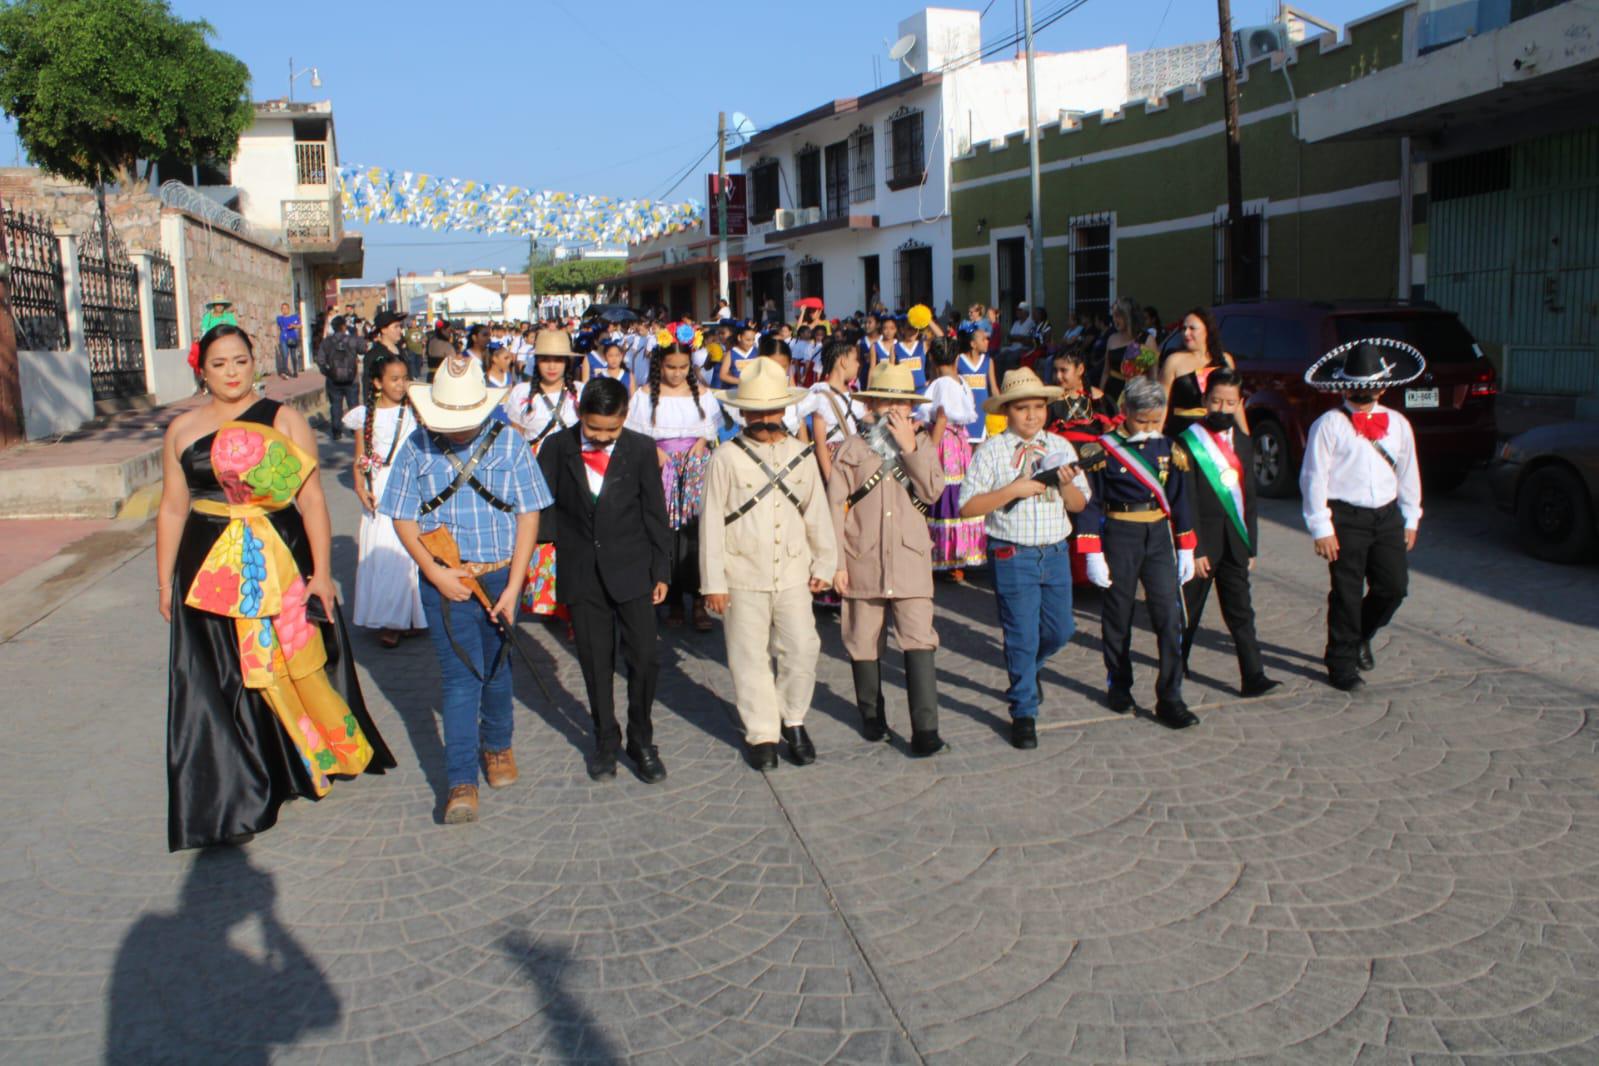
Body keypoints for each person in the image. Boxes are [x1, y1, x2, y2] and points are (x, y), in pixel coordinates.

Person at [156, 325, 395, 851]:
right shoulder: (181, 429)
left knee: (284, 663)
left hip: (277, 558)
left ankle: (298, 761)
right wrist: (163, 580)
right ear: (202, 371)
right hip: (207, 565)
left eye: (240, 360)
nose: (231, 372)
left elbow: (311, 501)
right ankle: (237, 785)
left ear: (254, 362)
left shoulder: (283, 419)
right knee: (220, 675)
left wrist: (322, 574)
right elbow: (173, 507)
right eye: (219, 364)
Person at [380, 354, 551, 824]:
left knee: (497, 667)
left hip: (500, 576)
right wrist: (434, 574)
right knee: (460, 680)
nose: (456, 430)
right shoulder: (416, 446)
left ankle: (497, 745)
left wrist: (515, 586)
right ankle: (460, 780)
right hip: (446, 580)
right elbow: (402, 517)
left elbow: (529, 514)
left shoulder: (511, 443)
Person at [701, 357, 837, 771]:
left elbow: (817, 512)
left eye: (771, 410)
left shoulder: (802, 454)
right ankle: (762, 732)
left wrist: (825, 564)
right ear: (742, 413)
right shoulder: (725, 457)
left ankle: (793, 719)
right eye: (755, 412)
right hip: (742, 572)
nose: (763, 419)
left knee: (803, 647)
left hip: (793, 571)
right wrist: (713, 582)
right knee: (748, 655)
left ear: (784, 409)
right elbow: (710, 521)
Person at [539, 376, 672, 783]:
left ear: (625, 417)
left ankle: (641, 738)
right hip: (581, 572)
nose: (600, 437)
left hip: (633, 568)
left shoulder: (640, 448)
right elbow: (544, 509)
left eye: (610, 429)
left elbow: (655, 512)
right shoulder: (557, 447)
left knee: (645, 658)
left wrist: (661, 569)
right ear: (580, 413)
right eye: (593, 428)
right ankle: (604, 739)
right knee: (596, 662)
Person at [958, 369, 1091, 749]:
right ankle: (1023, 711)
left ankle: (1029, 672)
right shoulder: (992, 450)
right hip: (1012, 553)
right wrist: (1011, 490)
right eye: (1022, 408)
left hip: (1055, 552)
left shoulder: (1061, 446)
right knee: (1021, 635)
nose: (1031, 415)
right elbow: (968, 506)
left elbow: (1079, 503)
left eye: (1038, 407)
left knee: (1061, 629)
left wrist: (1065, 483)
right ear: (1007, 411)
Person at [826, 363, 948, 755]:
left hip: (911, 557)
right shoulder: (852, 448)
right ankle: (871, 716)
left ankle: (926, 730)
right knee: (862, 639)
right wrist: (836, 563)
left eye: (902, 403)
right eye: (885, 402)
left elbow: (933, 491)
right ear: (871, 404)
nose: (894, 410)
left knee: (919, 639)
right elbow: (834, 507)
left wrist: (910, 448)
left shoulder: (922, 443)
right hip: (862, 557)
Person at [1299, 338, 1425, 692]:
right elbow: (1313, 477)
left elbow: (1409, 473)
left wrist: (1411, 517)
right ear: (1343, 387)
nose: (1362, 394)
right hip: (1346, 517)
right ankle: (1340, 662)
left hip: (1386, 516)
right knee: (1346, 592)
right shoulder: (1328, 424)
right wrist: (1321, 527)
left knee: (1393, 588)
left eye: (1369, 388)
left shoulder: (1398, 424)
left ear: (1382, 389)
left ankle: (1360, 635)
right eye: (1356, 388)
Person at [1076, 377, 1200, 729]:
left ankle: (1171, 697)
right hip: (1121, 533)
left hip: (1158, 534)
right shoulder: (1101, 451)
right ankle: (1119, 685)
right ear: (1125, 411)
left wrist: (1187, 547)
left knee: (1169, 616)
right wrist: (1092, 551)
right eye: (1141, 420)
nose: (1148, 428)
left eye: (1155, 421)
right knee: (1118, 614)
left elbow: (1180, 499)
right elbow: (1090, 502)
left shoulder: (1170, 448)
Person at [1174, 369, 1279, 697]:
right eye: (1216, 401)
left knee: (1241, 611)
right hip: (1202, 543)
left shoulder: (1244, 442)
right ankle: (1176, 663)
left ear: (1239, 403)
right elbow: (1186, 499)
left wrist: (1251, 547)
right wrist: (1194, 548)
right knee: (1189, 610)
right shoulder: (1188, 441)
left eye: (1230, 403)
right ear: (1205, 400)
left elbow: (1250, 499)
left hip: (1235, 542)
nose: (1222, 408)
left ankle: (1253, 676)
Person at [628, 341, 723, 630]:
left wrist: (701, 442)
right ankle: (673, 598)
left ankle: (698, 600)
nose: (677, 373)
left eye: (683, 367)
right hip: (660, 466)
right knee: (666, 530)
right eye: (671, 367)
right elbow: (635, 434)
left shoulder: (702, 393)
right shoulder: (645, 395)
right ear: (660, 364)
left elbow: (711, 428)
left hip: (695, 466)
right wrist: (654, 451)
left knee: (695, 531)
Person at [345, 351, 426, 648]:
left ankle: (412, 614)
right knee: (385, 550)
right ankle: (390, 619)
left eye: (405, 379)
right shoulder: (365, 415)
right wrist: (359, 486)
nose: (401, 385)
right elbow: (359, 457)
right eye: (394, 379)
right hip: (380, 487)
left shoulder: (416, 411)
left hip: (412, 485)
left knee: (412, 550)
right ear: (378, 383)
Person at [506, 330, 583, 622]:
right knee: (540, 533)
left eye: (558, 360)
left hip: (573, 469)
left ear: (567, 363)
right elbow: (515, 438)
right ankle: (547, 599)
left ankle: (576, 603)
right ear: (536, 362)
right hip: (535, 469)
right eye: (545, 359)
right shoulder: (521, 393)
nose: (552, 366)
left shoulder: (581, 391)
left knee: (575, 533)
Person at [918, 341, 986, 578]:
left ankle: (948, 556)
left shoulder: (942, 384)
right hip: (960, 444)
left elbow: (941, 418)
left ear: (932, 361)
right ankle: (960, 552)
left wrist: (929, 450)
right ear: (956, 359)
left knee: (943, 494)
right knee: (957, 494)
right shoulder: (962, 382)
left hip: (944, 443)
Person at [1161, 307, 1245, 437]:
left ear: (1207, 330)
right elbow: (1161, 402)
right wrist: (1156, 433)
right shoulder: (1173, 361)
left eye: (1192, 328)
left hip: (1217, 432)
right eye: (1184, 329)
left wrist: (1245, 434)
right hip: (1182, 432)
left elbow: (1236, 403)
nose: (1186, 333)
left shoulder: (1225, 360)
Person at [315, 315, 362, 442]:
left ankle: (336, 432)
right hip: (351, 379)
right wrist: (358, 335)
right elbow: (363, 349)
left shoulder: (327, 342)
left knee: (335, 405)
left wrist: (328, 372)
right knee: (353, 404)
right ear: (343, 326)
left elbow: (320, 360)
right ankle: (355, 430)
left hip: (333, 380)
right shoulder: (351, 340)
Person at [1097, 297, 1144, 406]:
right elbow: (1106, 371)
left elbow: (1153, 375)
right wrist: (1100, 395)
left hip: (1135, 395)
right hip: (1111, 394)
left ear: (1128, 316)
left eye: (1117, 316)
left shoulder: (1145, 340)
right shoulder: (1112, 338)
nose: (1114, 320)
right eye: (1113, 316)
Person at [362, 310, 410, 391]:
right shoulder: (373, 355)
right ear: (384, 330)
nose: (400, 330)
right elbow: (368, 386)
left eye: (400, 326)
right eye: (396, 327)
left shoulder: (401, 350)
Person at [715, 321, 760, 387]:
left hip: (752, 389)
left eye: (753, 340)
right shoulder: (731, 353)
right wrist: (741, 381)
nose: (751, 343)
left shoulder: (756, 352)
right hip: (735, 390)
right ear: (739, 338)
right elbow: (723, 375)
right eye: (748, 340)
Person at [273, 302, 300, 378]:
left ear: (288, 309)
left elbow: (300, 325)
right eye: (282, 308)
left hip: (293, 337)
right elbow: (277, 328)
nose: (284, 310)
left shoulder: (294, 317)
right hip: (283, 338)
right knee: (285, 354)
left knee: (293, 356)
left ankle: (295, 371)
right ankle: (285, 371)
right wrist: (276, 338)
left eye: (285, 308)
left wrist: (294, 326)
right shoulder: (279, 318)